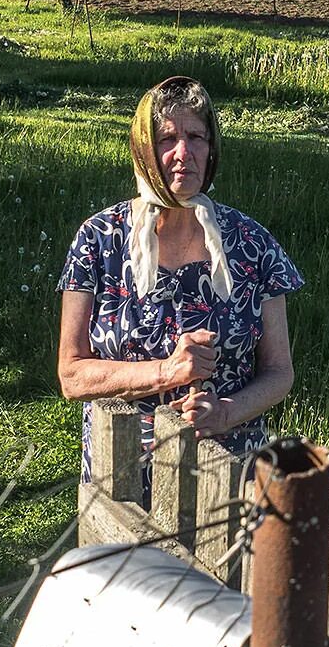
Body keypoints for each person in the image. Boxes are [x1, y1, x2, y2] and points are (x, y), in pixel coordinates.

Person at [58, 76, 302, 500]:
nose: (183, 154)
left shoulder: (252, 243)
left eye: (196, 137)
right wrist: (167, 372)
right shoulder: (99, 240)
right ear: (143, 148)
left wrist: (225, 413)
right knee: (127, 568)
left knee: (224, 568)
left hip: (226, 476)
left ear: (212, 150)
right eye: (167, 138)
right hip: (123, 475)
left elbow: (280, 372)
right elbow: (72, 374)